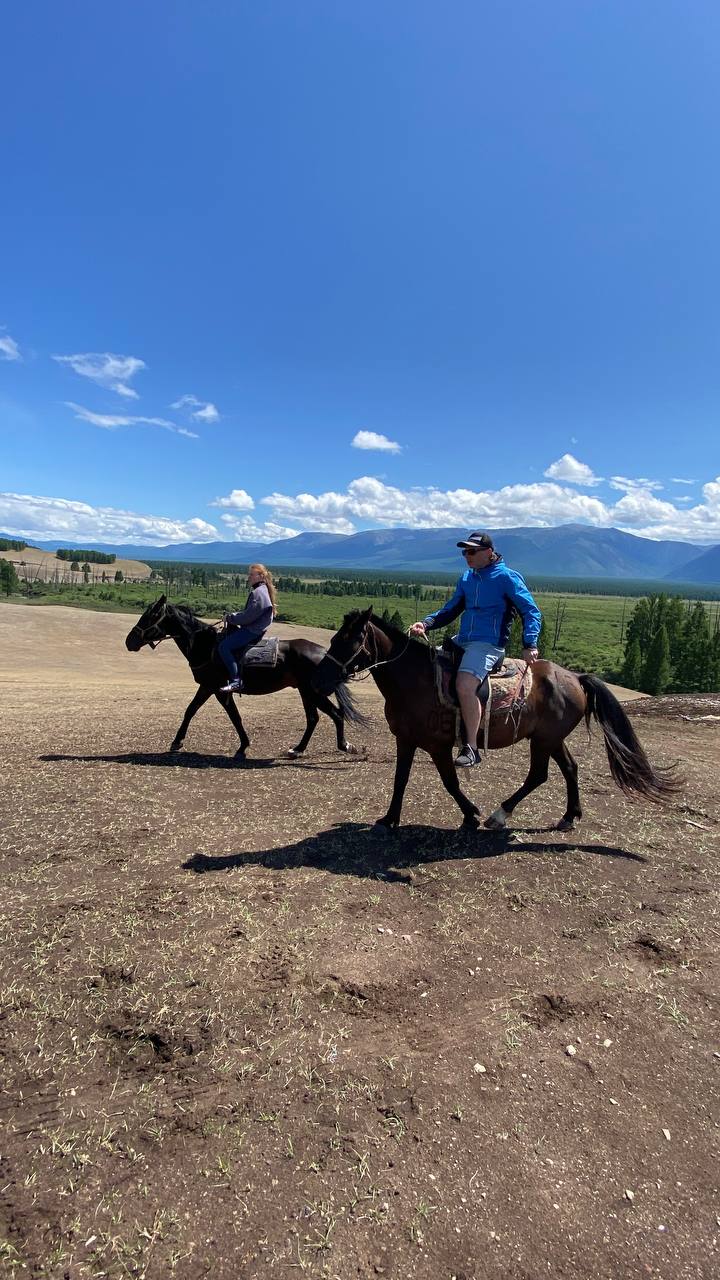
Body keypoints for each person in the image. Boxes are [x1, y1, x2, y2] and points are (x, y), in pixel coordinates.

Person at [409, 532, 541, 766]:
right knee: (429, 668)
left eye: (472, 551)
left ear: (488, 553)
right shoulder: (468, 578)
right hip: (463, 639)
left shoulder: (507, 578)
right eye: (464, 552)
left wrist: (529, 643)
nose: (466, 556)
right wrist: (427, 623)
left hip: (488, 643)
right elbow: (451, 609)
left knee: (465, 685)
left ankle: (471, 747)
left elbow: (530, 611)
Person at [218, 563, 276, 693]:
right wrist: (233, 615)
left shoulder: (258, 593)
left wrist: (230, 618)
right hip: (256, 628)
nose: (248, 577)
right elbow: (249, 613)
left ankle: (236, 681)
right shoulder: (262, 590)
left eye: (251, 574)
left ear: (260, 576)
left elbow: (248, 617)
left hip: (253, 630)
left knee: (224, 647)